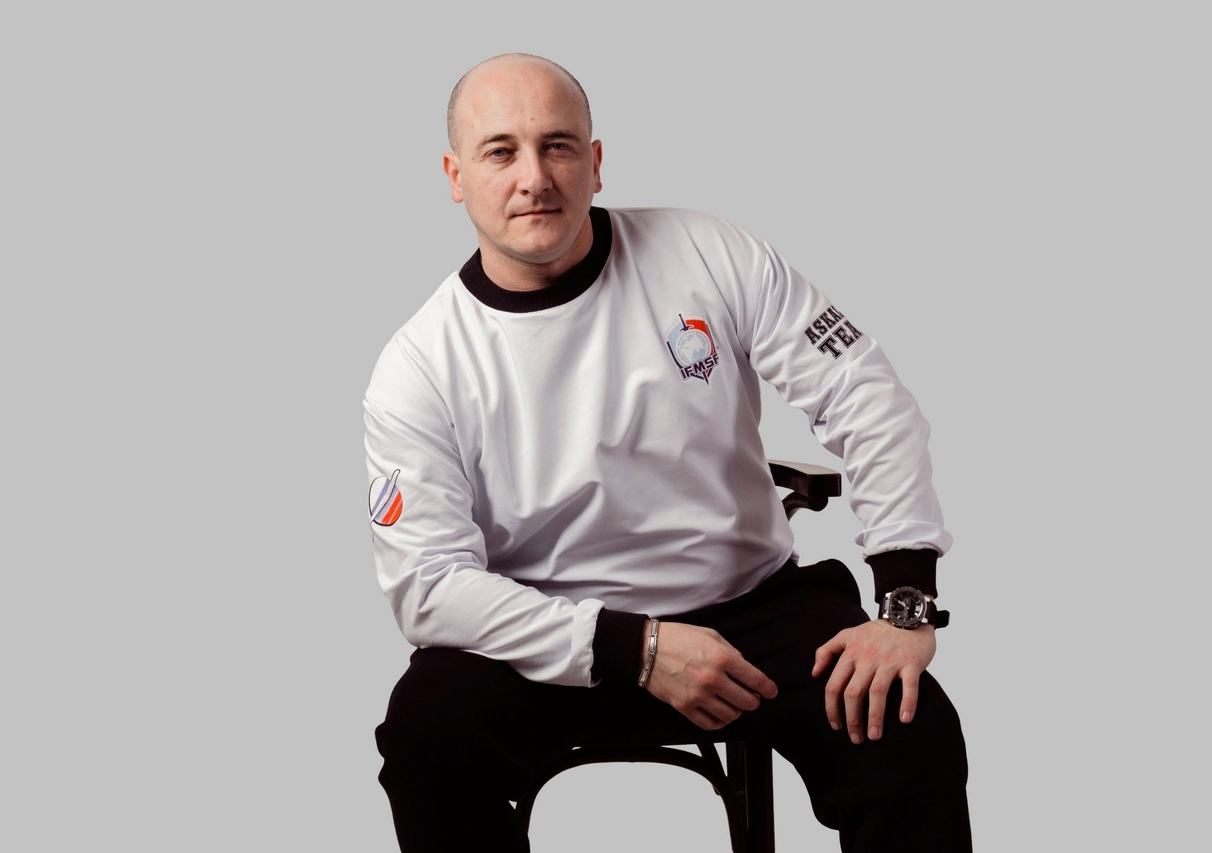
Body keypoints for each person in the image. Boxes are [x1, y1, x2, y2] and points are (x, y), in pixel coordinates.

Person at [365, 53, 971, 852]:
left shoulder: (707, 253)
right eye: (500, 151)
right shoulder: (418, 366)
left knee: (908, 723)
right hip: (546, 633)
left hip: (746, 611)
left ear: (595, 162)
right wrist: (636, 647)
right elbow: (429, 586)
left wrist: (905, 600)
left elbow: (865, 390)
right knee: (426, 737)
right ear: (455, 175)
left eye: (557, 146)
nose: (534, 178)